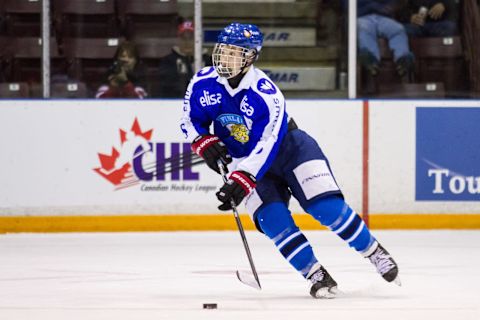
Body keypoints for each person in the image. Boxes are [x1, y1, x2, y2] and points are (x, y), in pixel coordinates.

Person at [180, 22, 400, 299]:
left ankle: (374, 252)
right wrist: (204, 142)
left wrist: (242, 179)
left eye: (236, 53)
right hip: (248, 162)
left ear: (251, 57)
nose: (226, 59)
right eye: (223, 51)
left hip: (292, 151)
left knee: (326, 208)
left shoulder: (265, 93)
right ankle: (315, 274)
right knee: (273, 219)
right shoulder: (202, 81)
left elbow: (267, 143)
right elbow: (190, 119)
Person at [357, 0, 415, 79]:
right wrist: (371, 6)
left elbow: (392, 5)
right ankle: (372, 63)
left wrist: (391, 7)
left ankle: (402, 60)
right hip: (362, 17)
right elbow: (347, 7)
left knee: (398, 29)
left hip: (383, 17)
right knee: (364, 28)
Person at [156, 20, 211, 98]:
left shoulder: (208, 61)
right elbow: (166, 87)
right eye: (183, 38)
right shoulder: (168, 61)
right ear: (178, 40)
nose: (187, 42)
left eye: (191, 38)